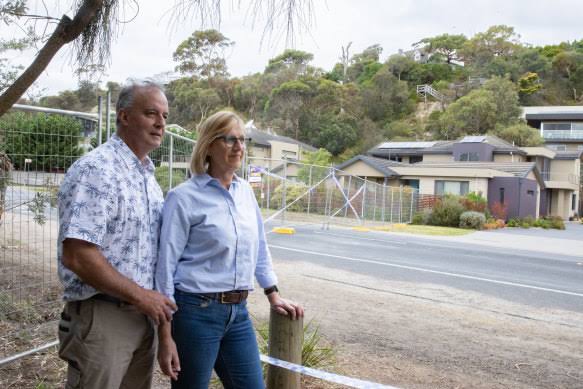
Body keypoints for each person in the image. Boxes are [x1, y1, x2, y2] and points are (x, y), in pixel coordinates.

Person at [155, 111, 304, 389]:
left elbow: (259, 247)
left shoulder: (245, 192)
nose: (239, 147)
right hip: (195, 313)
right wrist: (165, 333)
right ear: (209, 145)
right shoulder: (183, 197)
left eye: (242, 140)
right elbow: (165, 268)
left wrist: (273, 293)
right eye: (230, 139)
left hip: (238, 314)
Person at [57, 79, 177, 389]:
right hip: (104, 318)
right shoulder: (97, 170)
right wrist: (142, 297)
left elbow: (152, 260)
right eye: (151, 113)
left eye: (164, 116)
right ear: (124, 116)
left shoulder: (149, 179)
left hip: (143, 319)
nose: (160, 123)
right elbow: (78, 255)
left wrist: (163, 330)